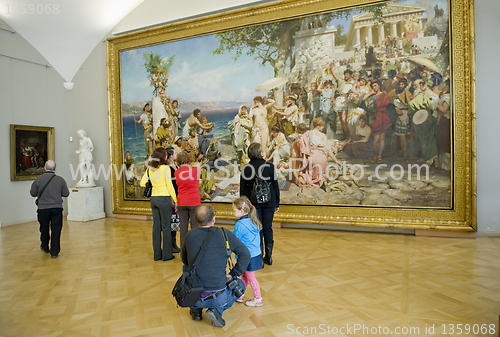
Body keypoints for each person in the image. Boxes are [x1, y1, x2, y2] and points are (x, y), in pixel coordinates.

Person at [182, 204, 250, 327]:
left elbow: (184, 259)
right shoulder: (225, 234)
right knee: (239, 284)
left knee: (187, 269)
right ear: (213, 218)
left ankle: (195, 310)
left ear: (197, 219)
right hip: (218, 296)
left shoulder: (189, 235)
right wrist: (233, 274)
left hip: (192, 294)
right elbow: (245, 254)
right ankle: (217, 310)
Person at [240, 143, 280, 265]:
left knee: (257, 229)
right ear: (260, 152)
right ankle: (269, 256)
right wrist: (277, 203)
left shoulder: (246, 168)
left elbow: (242, 190)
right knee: (268, 228)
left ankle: (259, 258)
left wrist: (243, 206)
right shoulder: (269, 166)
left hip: (253, 204)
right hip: (270, 202)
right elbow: (275, 186)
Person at [140, 148, 178, 261]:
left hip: (154, 200)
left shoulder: (150, 169)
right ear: (163, 157)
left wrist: (153, 184)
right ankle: (167, 255)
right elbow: (170, 186)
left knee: (156, 227)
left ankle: (157, 254)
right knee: (166, 227)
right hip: (164, 199)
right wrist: (175, 200)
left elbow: (142, 183)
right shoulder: (165, 168)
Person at [30, 160, 70, 259]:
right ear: (55, 168)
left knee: (44, 228)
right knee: (56, 230)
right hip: (57, 208)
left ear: (45, 167)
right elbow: (66, 193)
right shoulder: (60, 180)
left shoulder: (38, 179)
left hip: (43, 208)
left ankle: (44, 246)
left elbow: (33, 193)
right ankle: (54, 252)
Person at [232, 196, 264, 306]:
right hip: (255, 254)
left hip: (247, 256)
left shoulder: (240, 224)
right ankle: (240, 295)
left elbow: (235, 240)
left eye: (234, 211)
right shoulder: (253, 221)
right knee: (245, 276)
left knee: (251, 277)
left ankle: (258, 298)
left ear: (241, 211)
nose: (233, 213)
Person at [296, 119, 344, 189]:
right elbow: (328, 149)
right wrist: (336, 160)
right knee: (321, 166)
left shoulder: (308, 133)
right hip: (321, 158)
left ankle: (312, 180)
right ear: (318, 126)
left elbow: (301, 142)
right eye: (322, 126)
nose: (323, 128)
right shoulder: (323, 136)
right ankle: (320, 181)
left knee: (308, 169)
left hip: (311, 157)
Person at [359, 79, 392, 163]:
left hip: (383, 116)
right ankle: (374, 155)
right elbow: (362, 100)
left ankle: (380, 155)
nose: (374, 87)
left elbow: (386, 104)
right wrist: (371, 93)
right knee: (376, 138)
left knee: (382, 137)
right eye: (373, 86)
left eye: (375, 85)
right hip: (375, 117)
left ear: (379, 86)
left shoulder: (384, 94)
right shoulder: (371, 95)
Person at [174, 151, 201, 248]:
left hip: (182, 201)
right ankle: (195, 250)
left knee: (183, 229)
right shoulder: (195, 170)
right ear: (189, 160)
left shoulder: (176, 172)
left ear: (178, 161)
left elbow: (178, 185)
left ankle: (183, 253)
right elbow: (198, 182)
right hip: (194, 201)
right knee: (195, 228)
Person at [165, 147, 180, 253]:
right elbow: (169, 185)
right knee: (171, 221)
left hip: (176, 196)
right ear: (170, 155)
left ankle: (174, 243)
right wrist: (172, 199)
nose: (176, 154)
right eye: (175, 153)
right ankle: (170, 244)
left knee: (174, 222)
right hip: (172, 197)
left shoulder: (174, 165)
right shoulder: (168, 168)